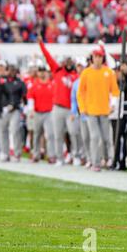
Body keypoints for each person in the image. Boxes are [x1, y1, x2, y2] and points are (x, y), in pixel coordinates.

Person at [38, 36, 79, 166]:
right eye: (66, 61)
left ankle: (76, 156)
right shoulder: (57, 71)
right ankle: (59, 158)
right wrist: (41, 44)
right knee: (57, 134)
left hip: (71, 109)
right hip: (58, 108)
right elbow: (48, 57)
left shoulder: (76, 76)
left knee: (73, 133)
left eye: (70, 61)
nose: (68, 63)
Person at [77, 47, 120, 172]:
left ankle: (110, 159)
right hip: (91, 110)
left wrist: (113, 104)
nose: (98, 59)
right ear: (92, 58)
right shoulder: (86, 73)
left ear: (103, 58)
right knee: (95, 136)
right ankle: (95, 161)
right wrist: (82, 107)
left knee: (107, 137)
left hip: (105, 110)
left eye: (100, 56)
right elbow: (80, 92)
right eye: (96, 56)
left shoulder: (108, 72)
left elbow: (115, 90)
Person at [26, 66, 55, 163]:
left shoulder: (52, 84)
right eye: (40, 71)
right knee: (37, 134)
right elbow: (30, 98)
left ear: (47, 73)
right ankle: (36, 154)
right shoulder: (34, 85)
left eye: (44, 71)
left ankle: (51, 155)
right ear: (37, 73)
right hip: (37, 112)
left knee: (50, 134)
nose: (42, 74)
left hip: (49, 112)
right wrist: (31, 111)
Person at [110, 61, 127, 171]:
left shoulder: (126, 82)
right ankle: (116, 160)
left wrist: (126, 74)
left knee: (121, 137)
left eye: (118, 71)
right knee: (115, 138)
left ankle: (121, 161)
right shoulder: (113, 83)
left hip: (125, 113)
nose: (116, 73)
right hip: (114, 114)